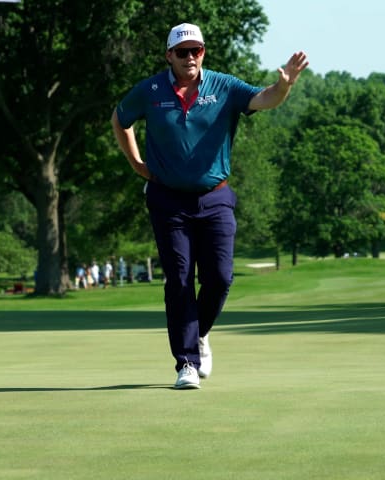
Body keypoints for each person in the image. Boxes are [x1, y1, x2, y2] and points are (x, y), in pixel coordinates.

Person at [111, 23, 308, 389]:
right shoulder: (151, 90)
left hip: (215, 196)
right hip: (167, 199)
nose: (190, 58)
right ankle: (186, 362)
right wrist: (137, 164)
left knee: (219, 278)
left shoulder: (224, 86)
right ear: (169, 55)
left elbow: (263, 98)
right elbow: (120, 120)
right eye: (183, 52)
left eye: (196, 51)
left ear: (203, 53)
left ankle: (198, 333)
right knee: (180, 279)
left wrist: (284, 87)